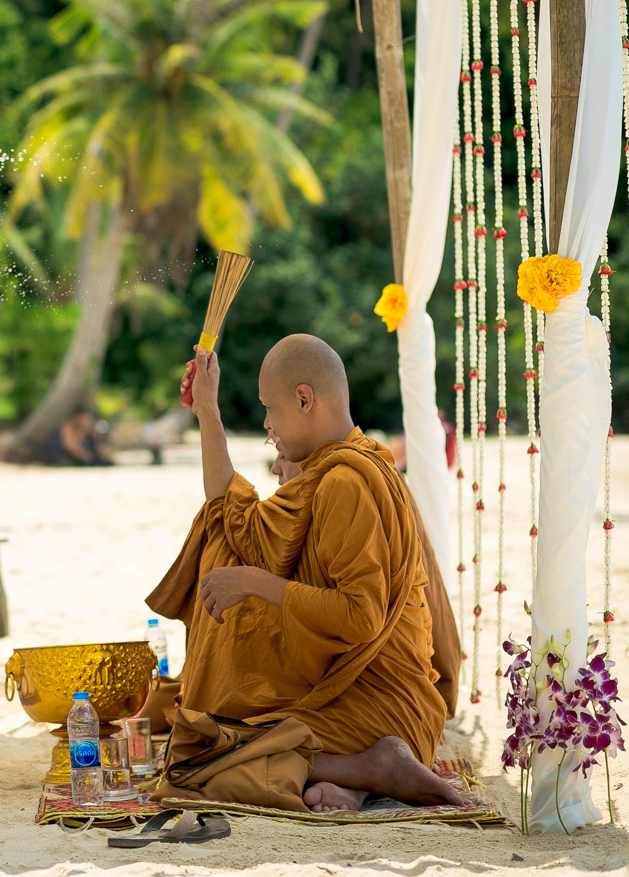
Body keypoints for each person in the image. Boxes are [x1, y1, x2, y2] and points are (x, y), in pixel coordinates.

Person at [147, 335, 464, 813]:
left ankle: (376, 766)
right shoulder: (348, 464)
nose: (268, 425)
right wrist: (207, 412)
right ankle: (354, 776)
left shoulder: (344, 482)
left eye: (270, 409)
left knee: (197, 766)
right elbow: (236, 521)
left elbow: (361, 618)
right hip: (351, 698)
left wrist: (254, 583)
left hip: (382, 705)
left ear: (303, 399)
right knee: (210, 749)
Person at [271, 453, 461, 718]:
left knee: (245, 748)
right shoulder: (339, 482)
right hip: (391, 692)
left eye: (281, 451)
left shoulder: (345, 484)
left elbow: (364, 615)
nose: (274, 468)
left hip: (382, 699)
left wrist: (261, 586)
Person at [46, 405, 113, 466]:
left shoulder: (86, 429)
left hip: (81, 454)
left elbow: (98, 447)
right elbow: (69, 447)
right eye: (85, 418)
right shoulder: (68, 427)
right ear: (77, 417)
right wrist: (85, 455)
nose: (88, 420)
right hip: (63, 456)